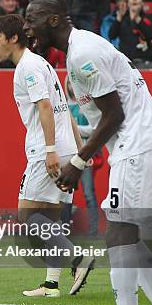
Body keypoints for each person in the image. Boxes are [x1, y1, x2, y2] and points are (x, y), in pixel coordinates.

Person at [25, 0, 152, 305]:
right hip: (138, 144)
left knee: (118, 233)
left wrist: (79, 162)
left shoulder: (83, 53)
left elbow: (114, 115)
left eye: (32, 18)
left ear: (53, 19)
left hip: (138, 144)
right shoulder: (80, 50)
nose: (27, 26)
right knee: (129, 237)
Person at [0, 13, 93, 298]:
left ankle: (78, 259)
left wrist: (50, 151)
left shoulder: (28, 67)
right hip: (65, 148)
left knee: (26, 215)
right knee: (51, 218)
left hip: (46, 150)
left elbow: (47, 107)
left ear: (12, 38)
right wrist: (81, 147)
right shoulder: (42, 63)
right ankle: (51, 284)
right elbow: (64, 108)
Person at [63, 76, 99, 237]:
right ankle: (63, 230)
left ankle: (93, 231)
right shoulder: (63, 107)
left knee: (89, 194)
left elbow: (94, 128)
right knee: (65, 194)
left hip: (84, 155)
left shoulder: (85, 106)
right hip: (67, 156)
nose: (71, 86)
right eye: (68, 83)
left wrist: (75, 128)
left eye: (73, 82)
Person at [108, 0, 152, 68]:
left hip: (143, 60)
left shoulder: (149, 18)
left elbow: (151, 36)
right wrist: (118, 19)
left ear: (142, 3)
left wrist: (137, 19)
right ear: (128, 3)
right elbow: (111, 35)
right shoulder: (122, 18)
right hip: (125, 60)